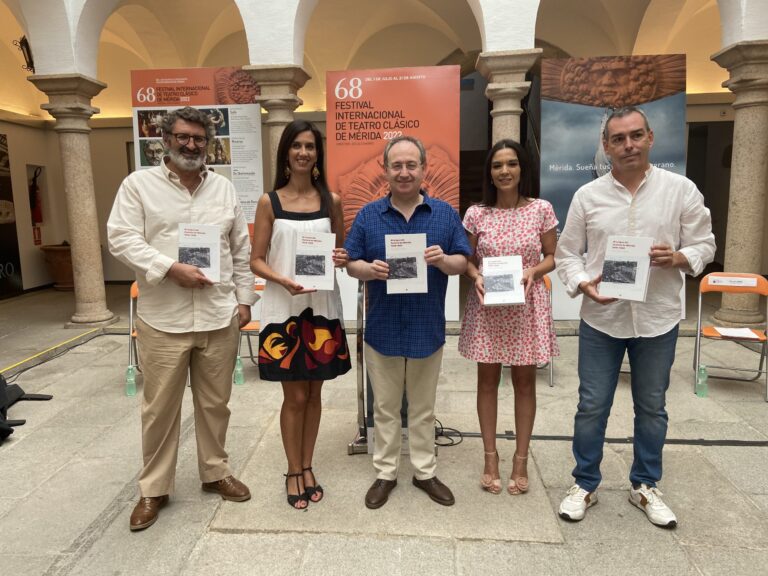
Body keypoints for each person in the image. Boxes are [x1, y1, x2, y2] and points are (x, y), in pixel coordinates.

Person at [555, 106, 715, 527]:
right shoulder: (587, 197)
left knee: (652, 406)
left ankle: (645, 485)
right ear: (606, 146)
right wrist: (583, 283)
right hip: (601, 319)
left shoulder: (681, 190)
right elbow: (567, 253)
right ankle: (585, 483)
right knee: (591, 405)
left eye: (636, 135)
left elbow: (705, 245)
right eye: (619, 138)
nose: (629, 144)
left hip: (657, 318)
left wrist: (679, 256)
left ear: (650, 138)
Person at [108, 106, 256, 531]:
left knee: (215, 404)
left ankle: (215, 472)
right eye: (183, 137)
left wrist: (244, 300)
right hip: (163, 317)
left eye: (199, 139)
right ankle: (154, 488)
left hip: (217, 315)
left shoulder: (224, 189)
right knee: (159, 410)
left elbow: (240, 249)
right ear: (165, 140)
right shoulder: (138, 186)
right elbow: (120, 237)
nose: (191, 145)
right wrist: (169, 267)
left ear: (208, 143)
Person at [345, 135, 471, 509]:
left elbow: (463, 261)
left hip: (425, 327)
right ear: (386, 169)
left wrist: (443, 260)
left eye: (410, 165)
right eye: (396, 165)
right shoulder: (368, 215)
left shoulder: (445, 214)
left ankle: (424, 472)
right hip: (382, 327)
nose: (403, 172)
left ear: (423, 168)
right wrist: (367, 269)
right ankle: (385, 473)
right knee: (383, 408)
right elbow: (351, 263)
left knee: (422, 408)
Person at [250, 119, 351, 510]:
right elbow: (256, 260)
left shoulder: (333, 202)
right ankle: (293, 470)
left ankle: (308, 465)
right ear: (286, 153)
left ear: (317, 154)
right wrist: (284, 279)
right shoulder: (268, 202)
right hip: (283, 310)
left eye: (310, 146)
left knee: (314, 393)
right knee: (293, 395)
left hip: (322, 309)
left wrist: (341, 258)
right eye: (297, 146)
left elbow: (339, 253)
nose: (304, 153)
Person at [458, 139, 558, 496]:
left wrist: (534, 270)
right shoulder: (476, 214)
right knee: (487, 381)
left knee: (524, 383)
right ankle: (489, 456)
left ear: (522, 168)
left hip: (526, 305)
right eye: (497, 165)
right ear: (490, 171)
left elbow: (552, 256)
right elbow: (465, 258)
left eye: (511, 164)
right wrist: (476, 276)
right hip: (488, 307)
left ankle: (520, 458)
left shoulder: (541, 209)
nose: (504, 171)